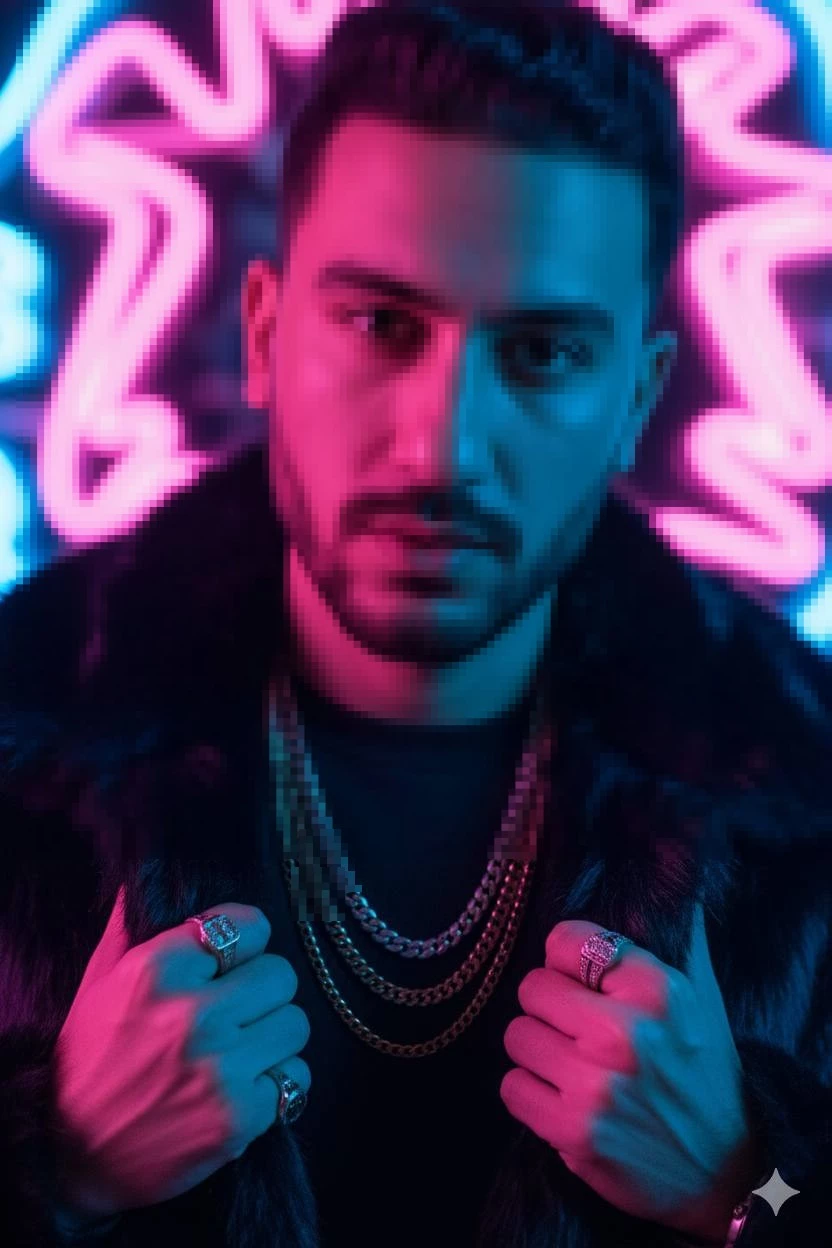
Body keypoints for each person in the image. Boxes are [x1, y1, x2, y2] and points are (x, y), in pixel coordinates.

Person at [1, 2, 829, 1246]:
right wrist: (52, 1168)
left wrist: (744, 1188)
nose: (442, 450)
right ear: (266, 335)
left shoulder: (808, 798)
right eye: (381, 324)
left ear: (635, 399)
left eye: (542, 353)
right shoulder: (22, 732)